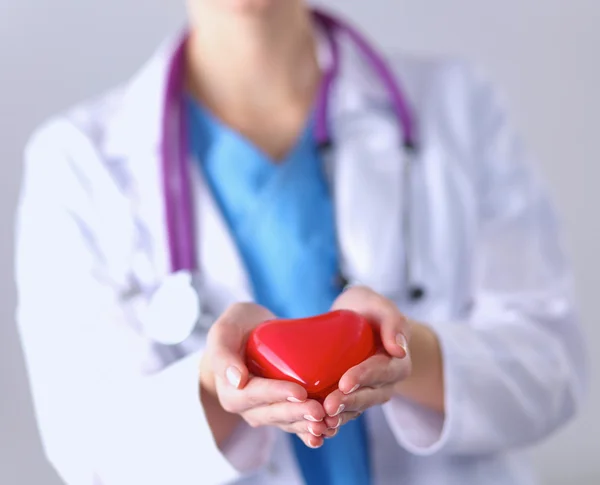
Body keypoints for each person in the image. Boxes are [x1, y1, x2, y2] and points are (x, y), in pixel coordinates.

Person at [14, 1, 587, 484]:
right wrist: (219, 387)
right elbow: (88, 446)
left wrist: (405, 350)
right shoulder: (77, 162)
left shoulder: (459, 104)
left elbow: (553, 365)